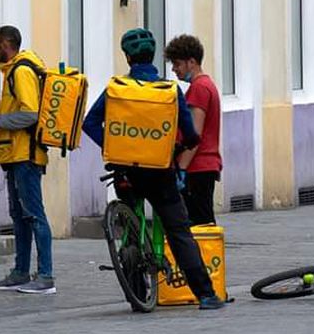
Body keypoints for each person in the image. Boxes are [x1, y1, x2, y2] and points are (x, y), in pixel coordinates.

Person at [82, 28, 225, 310]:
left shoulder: (116, 89)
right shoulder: (169, 91)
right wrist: (173, 147)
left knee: (131, 227)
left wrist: (111, 145)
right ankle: (206, 295)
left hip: (127, 171)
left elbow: (89, 123)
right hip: (161, 173)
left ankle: (136, 288)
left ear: (127, 57)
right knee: (180, 232)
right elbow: (191, 134)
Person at [0, 25, 54, 295]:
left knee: (34, 215)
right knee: (20, 217)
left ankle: (45, 276)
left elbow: (30, 114)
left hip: (26, 154)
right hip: (15, 153)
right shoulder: (14, 70)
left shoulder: (21, 72)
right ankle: (21, 272)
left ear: (6, 44)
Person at [164, 34, 223, 227]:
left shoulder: (200, 88)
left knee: (200, 226)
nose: (174, 69)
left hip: (197, 167)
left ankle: (203, 258)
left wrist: (181, 168)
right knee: (202, 223)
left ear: (192, 62)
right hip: (203, 166)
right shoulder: (206, 86)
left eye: (177, 64)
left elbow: (194, 135)